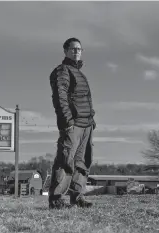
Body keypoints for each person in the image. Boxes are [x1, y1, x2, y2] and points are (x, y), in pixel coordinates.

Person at [48, 37, 96, 209]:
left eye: (79, 49)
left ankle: (78, 196)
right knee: (65, 161)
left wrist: (92, 120)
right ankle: (57, 200)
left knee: (82, 163)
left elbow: (83, 99)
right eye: (73, 49)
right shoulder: (62, 70)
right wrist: (66, 121)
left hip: (86, 125)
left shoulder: (80, 73)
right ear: (66, 51)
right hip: (73, 124)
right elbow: (60, 97)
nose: (77, 51)